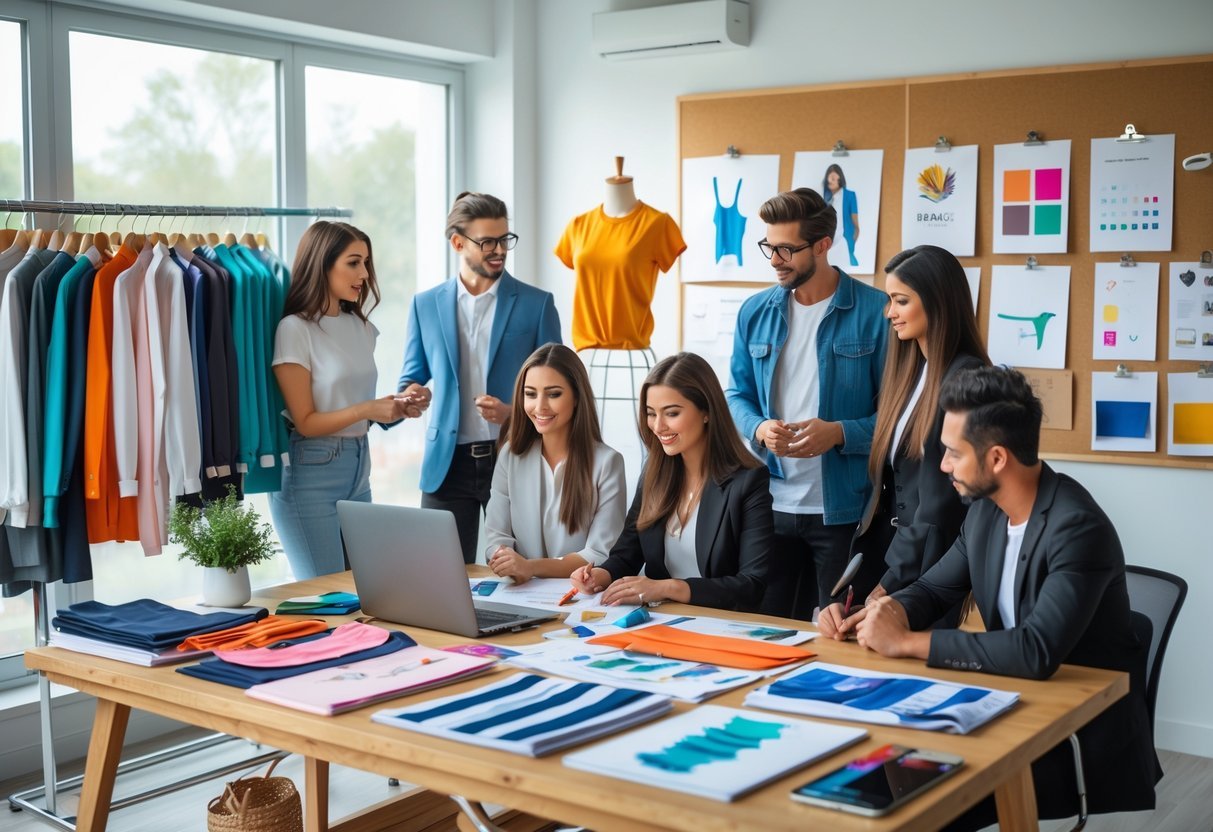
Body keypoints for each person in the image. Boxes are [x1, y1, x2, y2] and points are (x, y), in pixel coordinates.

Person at [818, 366, 1160, 828]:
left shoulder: (1078, 528)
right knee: (854, 777)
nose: (942, 466)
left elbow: (1035, 650)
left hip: (1071, 738)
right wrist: (880, 612)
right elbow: (935, 586)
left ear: (997, 458)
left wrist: (905, 642)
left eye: (953, 454)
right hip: (1005, 704)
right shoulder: (985, 512)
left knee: (909, 804)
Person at [726, 188, 888, 620]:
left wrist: (837, 433)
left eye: (786, 249)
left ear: (823, 245)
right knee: (766, 629)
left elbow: (899, 418)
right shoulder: (754, 312)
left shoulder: (877, 312)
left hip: (843, 509)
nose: (775, 259)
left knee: (842, 635)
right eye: (769, 246)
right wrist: (759, 428)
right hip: (769, 505)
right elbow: (735, 394)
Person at [397, 192, 562, 564]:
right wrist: (413, 394)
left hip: (517, 456)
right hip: (447, 465)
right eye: (487, 241)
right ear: (458, 242)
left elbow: (561, 391)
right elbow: (411, 376)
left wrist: (514, 414)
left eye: (504, 239)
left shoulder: (537, 304)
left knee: (522, 574)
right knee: (440, 577)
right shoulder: (425, 304)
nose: (499, 249)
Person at [270, 221, 421, 580]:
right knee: (326, 595)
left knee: (364, 591)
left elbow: (353, 405)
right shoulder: (294, 329)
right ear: (322, 264)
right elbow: (305, 420)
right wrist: (369, 408)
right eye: (353, 263)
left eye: (366, 263)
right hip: (311, 469)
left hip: (358, 466)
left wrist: (396, 405)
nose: (365, 274)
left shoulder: (361, 327)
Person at [571, 352, 772, 612]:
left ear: (706, 412)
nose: (658, 426)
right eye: (651, 413)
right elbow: (626, 555)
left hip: (720, 626)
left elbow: (751, 585)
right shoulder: (655, 471)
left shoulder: (748, 481)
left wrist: (668, 587)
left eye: (672, 413)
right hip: (661, 621)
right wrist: (600, 576)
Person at [853, 245, 990, 612]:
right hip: (887, 552)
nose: (889, 313)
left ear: (936, 301)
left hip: (926, 565)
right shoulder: (911, 372)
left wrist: (891, 580)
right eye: (889, 300)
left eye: (900, 301)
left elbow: (941, 503)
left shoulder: (967, 379)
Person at [483, 344, 627, 583]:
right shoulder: (510, 454)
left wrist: (529, 567)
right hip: (520, 591)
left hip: (578, 595)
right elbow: (496, 536)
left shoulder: (608, 463)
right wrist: (504, 558)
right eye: (530, 394)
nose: (539, 407)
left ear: (577, 397)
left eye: (553, 394)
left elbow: (598, 553)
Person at [822, 163, 860, 268]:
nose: (831, 181)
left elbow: (856, 225)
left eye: (834, 178)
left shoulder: (850, 195)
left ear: (840, 179)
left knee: (850, 265)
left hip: (846, 239)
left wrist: (851, 243)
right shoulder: (824, 198)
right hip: (829, 242)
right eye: (829, 178)